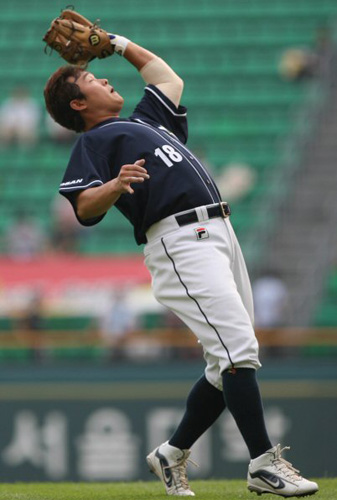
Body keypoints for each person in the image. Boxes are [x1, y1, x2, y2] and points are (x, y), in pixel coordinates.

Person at [44, 28, 318, 498]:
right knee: (237, 351)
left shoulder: (144, 120)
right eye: (91, 80)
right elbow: (84, 208)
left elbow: (167, 77)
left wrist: (116, 42)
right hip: (178, 240)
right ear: (77, 105)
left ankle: (171, 453)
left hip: (219, 233)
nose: (105, 80)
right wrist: (113, 186)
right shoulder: (93, 143)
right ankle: (263, 465)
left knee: (226, 360)